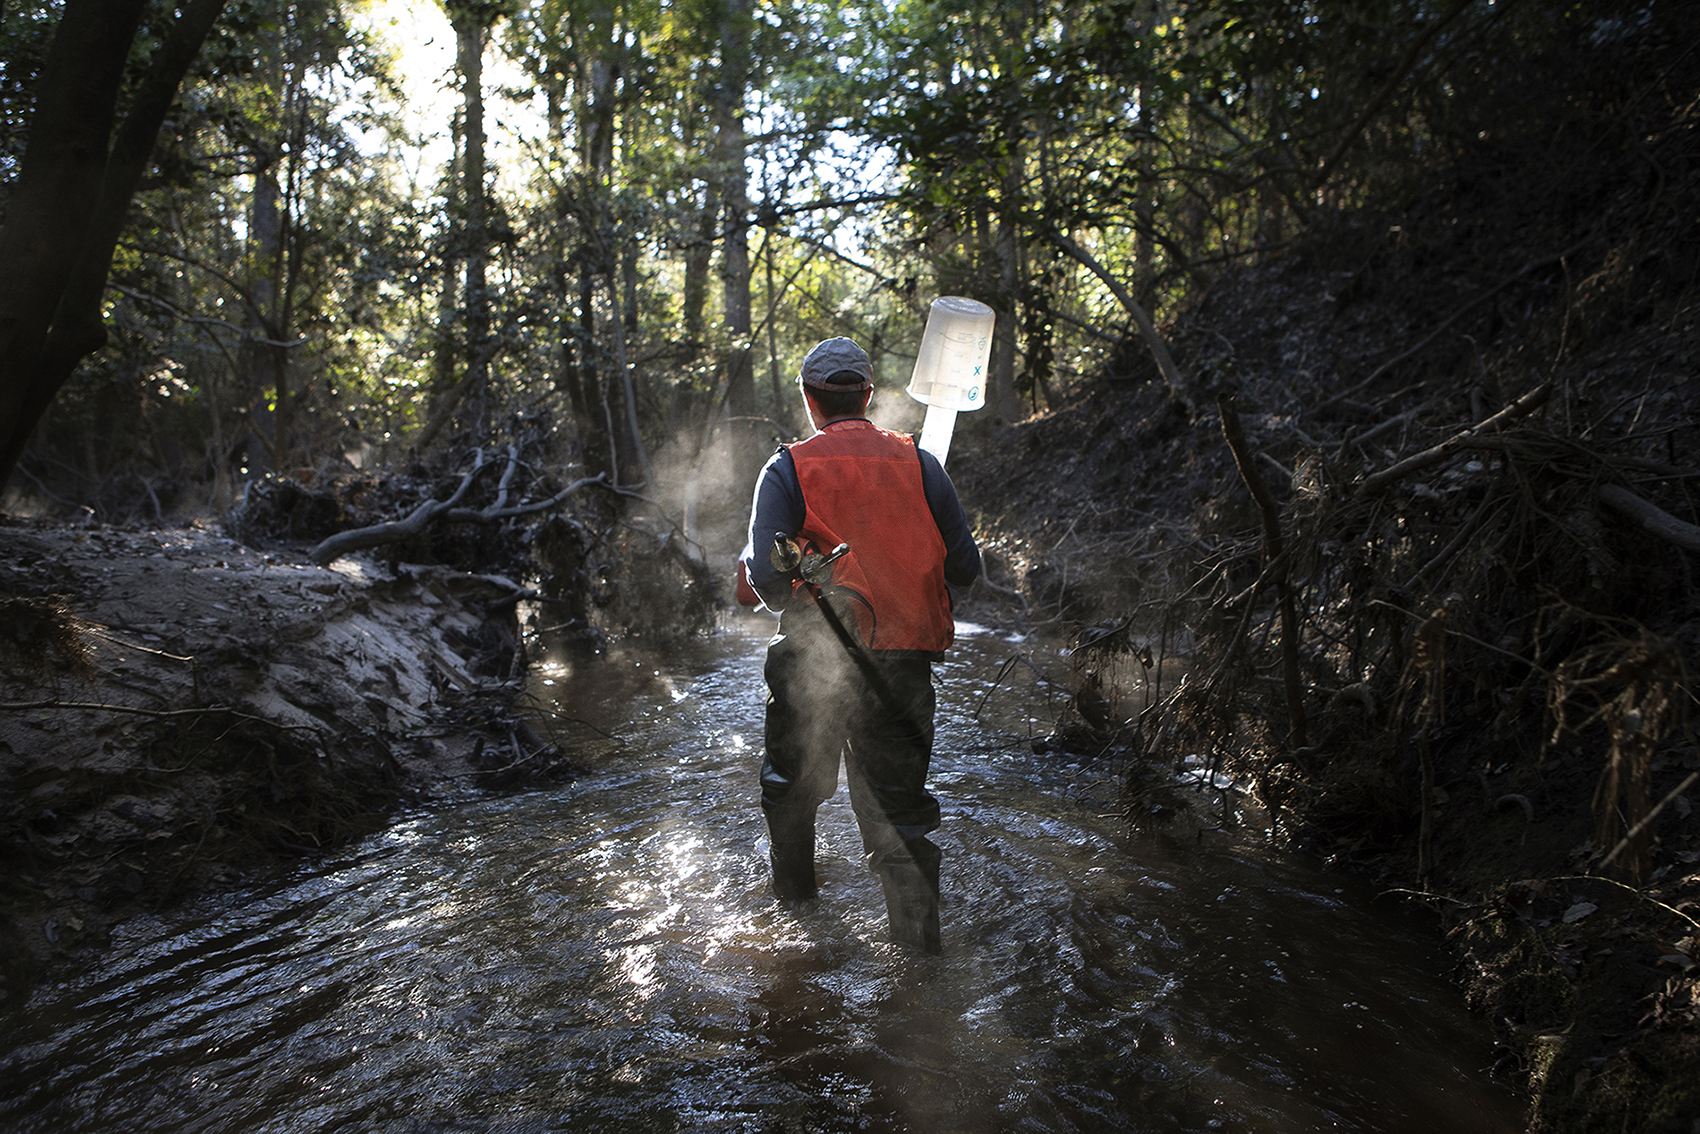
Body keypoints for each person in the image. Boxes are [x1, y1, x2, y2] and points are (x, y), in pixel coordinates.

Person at [738, 336, 981, 954]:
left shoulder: (787, 468)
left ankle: (796, 926)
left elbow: (766, 581)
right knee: (897, 820)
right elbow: (965, 571)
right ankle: (922, 967)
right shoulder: (923, 465)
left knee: (791, 793)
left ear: (809, 399)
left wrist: (788, 585)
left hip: (812, 662)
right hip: (902, 666)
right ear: (867, 396)